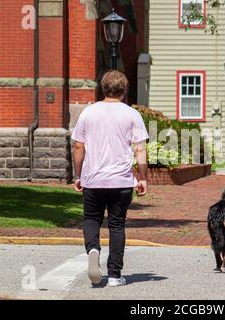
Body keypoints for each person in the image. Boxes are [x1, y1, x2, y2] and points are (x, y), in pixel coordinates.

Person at [71, 70, 149, 287]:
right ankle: (114, 275)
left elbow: (78, 146)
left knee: (91, 219)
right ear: (124, 91)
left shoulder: (88, 112)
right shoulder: (132, 115)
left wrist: (78, 175)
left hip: (93, 180)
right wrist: (142, 178)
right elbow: (140, 149)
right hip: (121, 182)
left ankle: (93, 249)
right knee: (116, 225)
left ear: (102, 89)